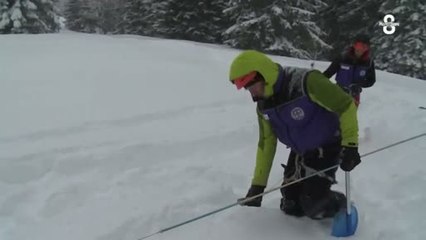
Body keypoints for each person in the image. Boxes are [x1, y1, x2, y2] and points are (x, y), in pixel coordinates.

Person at [229, 50, 361, 219]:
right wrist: (257, 187)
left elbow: (346, 105)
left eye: (252, 86)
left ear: (264, 76)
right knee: (291, 205)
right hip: (301, 152)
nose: (252, 93)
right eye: (248, 89)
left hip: (327, 146)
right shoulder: (264, 106)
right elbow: (266, 143)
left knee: (314, 205)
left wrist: (350, 145)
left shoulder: (306, 82)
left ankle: (341, 205)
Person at [323, 34, 376, 106]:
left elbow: (371, 80)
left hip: (354, 95)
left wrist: (358, 85)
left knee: (349, 115)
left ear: (367, 48)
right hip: (338, 91)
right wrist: (318, 80)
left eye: (364, 47)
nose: (360, 49)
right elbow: (328, 73)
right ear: (354, 45)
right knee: (333, 113)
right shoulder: (343, 58)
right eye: (358, 46)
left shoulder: (368, 62)